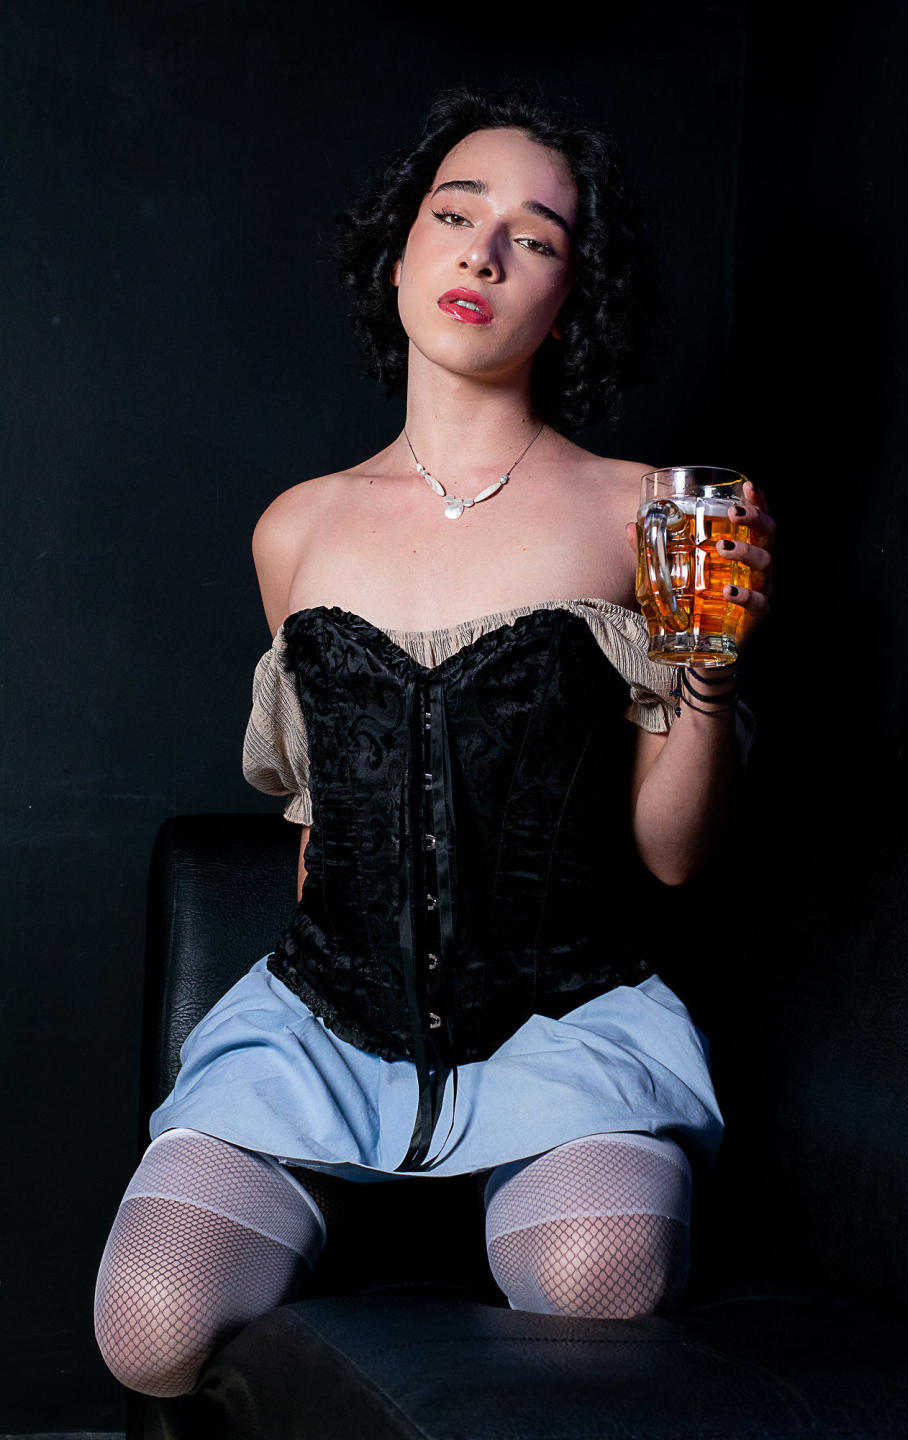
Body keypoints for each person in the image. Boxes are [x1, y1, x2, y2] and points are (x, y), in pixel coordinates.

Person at [94, 84, 774, 1398]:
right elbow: (320, 818)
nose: (485, 252)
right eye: (456, 215)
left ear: (570, 295)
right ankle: (349, 1187)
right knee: (149, 1327)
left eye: (537, 236)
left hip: (561, 1027)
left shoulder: (654, 512)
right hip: (324, 1026)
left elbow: (674, 857)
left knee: (599, 1280)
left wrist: (712, 669)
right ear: (400, 249)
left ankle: (484, 1176)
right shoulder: (295, 527)